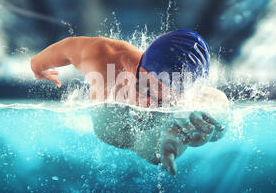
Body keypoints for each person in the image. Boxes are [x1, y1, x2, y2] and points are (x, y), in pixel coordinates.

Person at [30, 30, 229, 175]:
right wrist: (37, 65)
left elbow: (220, 112)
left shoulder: (190, 101)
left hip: (163, 130)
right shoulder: (103, 57)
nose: (146, 102)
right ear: (140, 64)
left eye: (161, 100)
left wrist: (180, 135)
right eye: (144, 87)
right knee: (111, 131)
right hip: (113, 120)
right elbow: (67, 48)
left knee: (159, 147)